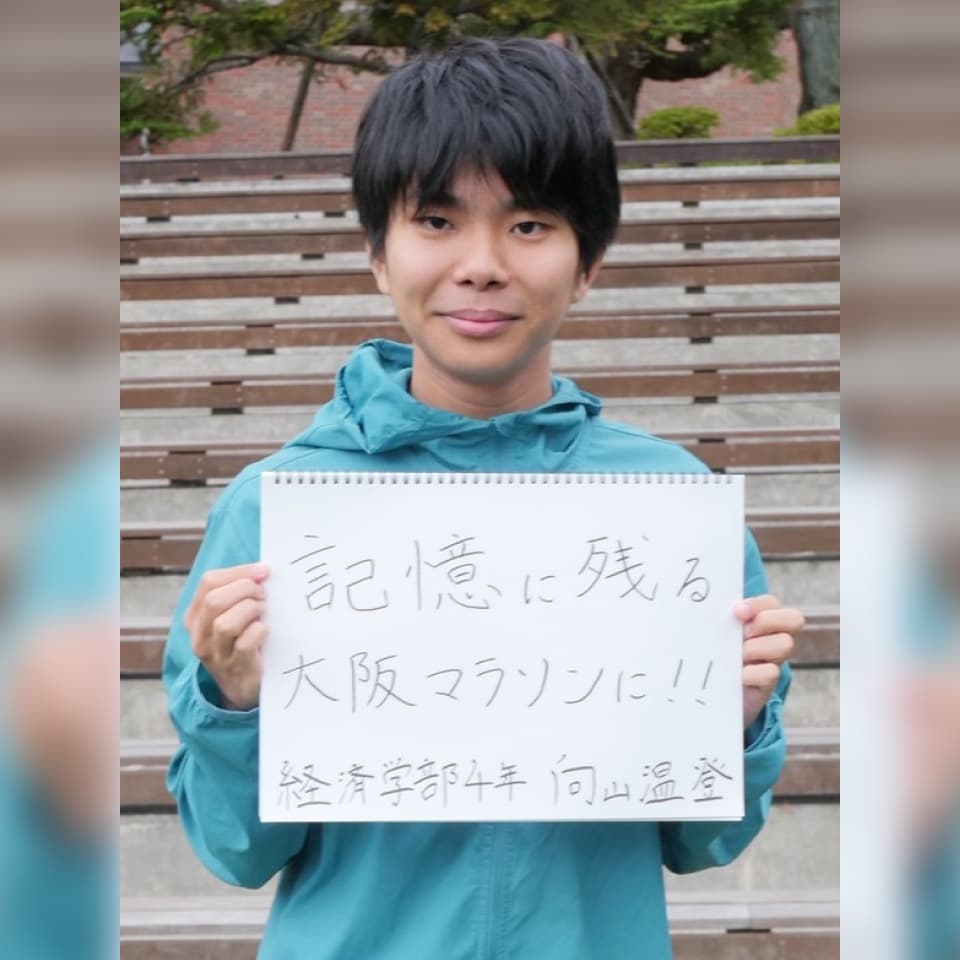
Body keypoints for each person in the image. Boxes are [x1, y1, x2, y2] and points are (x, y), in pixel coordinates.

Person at [164, 37, 802, 958]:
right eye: (436, 220)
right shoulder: (276, 508)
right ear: (378, 253)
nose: (482, 263)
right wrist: (234, 703)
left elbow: (704, 844)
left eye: (530, 225)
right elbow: (234, 851)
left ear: (589, 262)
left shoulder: (670, 508)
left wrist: (732, 721)